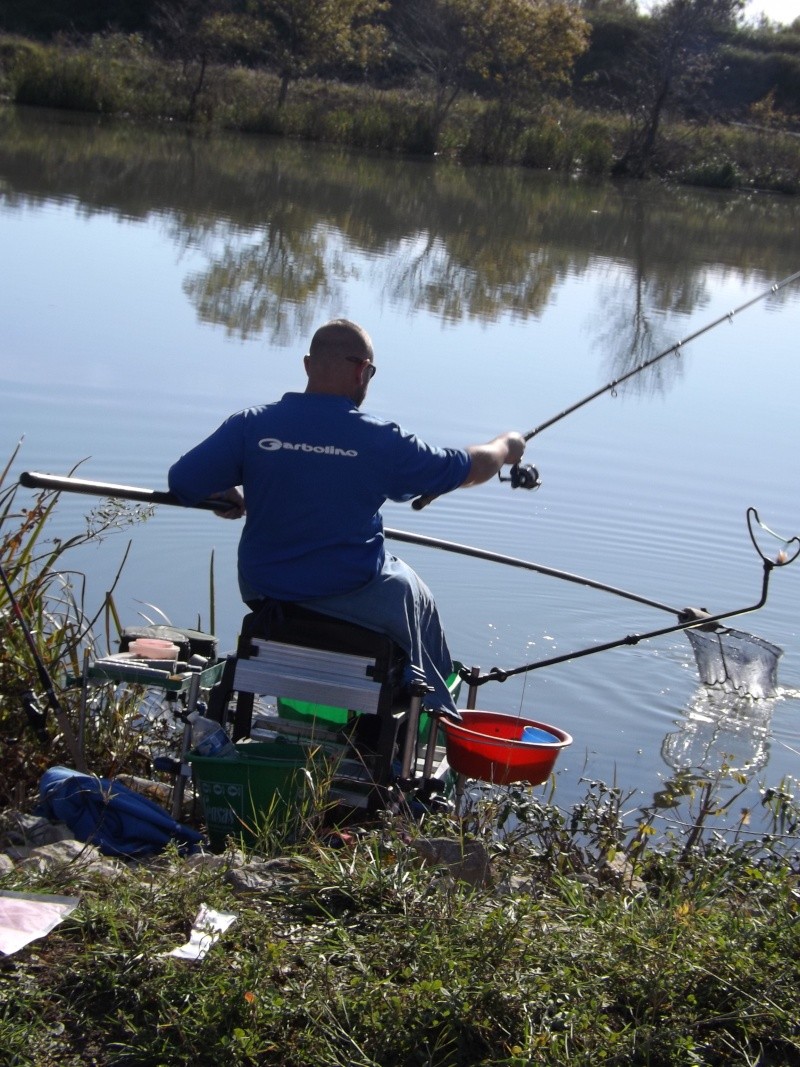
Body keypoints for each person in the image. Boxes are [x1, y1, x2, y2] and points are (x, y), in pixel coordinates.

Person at [168, 319, 525, 720]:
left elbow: (182, 480)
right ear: (362, 371)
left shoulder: (251, 425)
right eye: (370, 372)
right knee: (414, 594)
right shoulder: (381, 440)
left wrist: (220, 493)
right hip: (349, 589)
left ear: (307, 365)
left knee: (404, 586)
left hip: (265, 590)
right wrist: (505, 446)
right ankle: (430, 709)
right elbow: (469, 467)